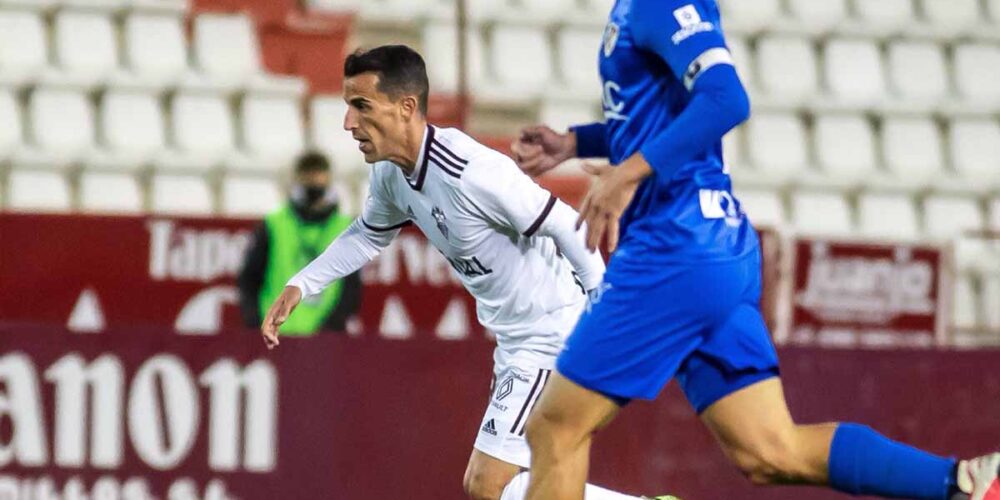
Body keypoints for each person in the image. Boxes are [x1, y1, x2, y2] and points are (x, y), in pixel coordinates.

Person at [510, 1, 1000, 499]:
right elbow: (661, 117)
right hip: (716, 246)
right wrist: (575, 141)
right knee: (770, 450)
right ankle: (960, 483)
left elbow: (726, 98)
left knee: (556, 429)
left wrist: (629, 173)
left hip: (675, 247)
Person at [259, 45, 672, 500]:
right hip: (517, 338)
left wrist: (602, 310)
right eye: (346, 107)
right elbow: (368, 234)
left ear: (406, 107)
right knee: (530, 485)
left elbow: (563, 223)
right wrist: (303, 282)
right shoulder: (391, 175)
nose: (348, 123)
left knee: (488, 484)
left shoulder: (472, 171)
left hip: (552, 330)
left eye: (361, 106)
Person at [238, 151, 361, 335]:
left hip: (324, 342)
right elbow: (249, 279)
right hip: (275, 337)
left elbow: (351, 289)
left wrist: (331, 328)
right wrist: (257, 321)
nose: (313, 182)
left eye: (317, 175)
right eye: (308, 175)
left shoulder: (344, 228)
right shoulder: (273, 225)